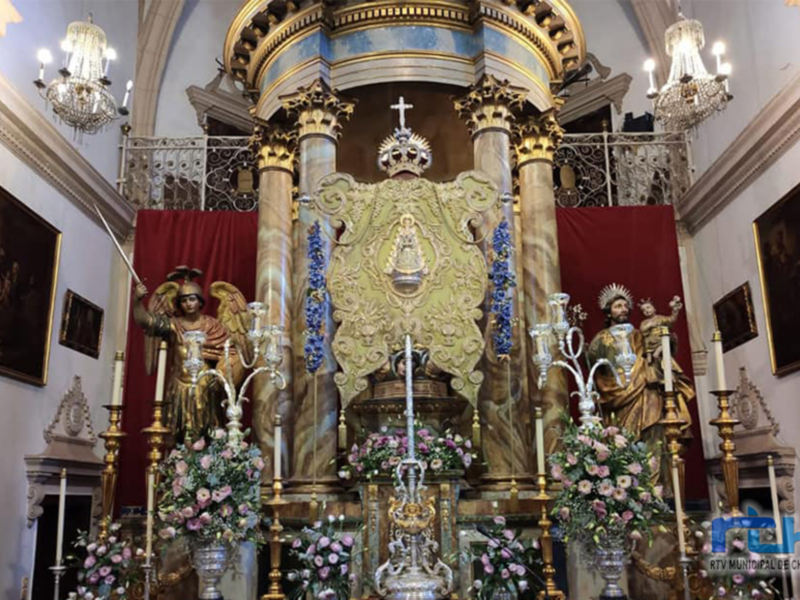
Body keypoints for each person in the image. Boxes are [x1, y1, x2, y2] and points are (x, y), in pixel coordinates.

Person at [133, 267, 245, 442]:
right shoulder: (173, 325)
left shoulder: (212, 326)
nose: (188, 304)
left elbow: (231, 352)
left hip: (205, 386)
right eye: (184, 300)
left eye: (192, 299)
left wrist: (222, 374)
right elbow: (146, 321)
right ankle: (176, 465)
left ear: (200, 301)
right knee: (177, 434)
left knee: (207, 434)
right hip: (179, 387)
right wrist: (137, 301)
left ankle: (207, 464)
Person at [587, 284, 665, 477]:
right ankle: (627, 485)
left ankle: (654, 486)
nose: (623, 309)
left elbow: (657, 350)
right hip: (616, 394)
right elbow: (593, 365)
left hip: (645, 392)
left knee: (652, 434)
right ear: (608, 311)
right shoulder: (602, 338)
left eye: (624, 306)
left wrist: (665, 342)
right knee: (622, 438)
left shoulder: (639, 334)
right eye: (617, 306)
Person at [638, 297, 695, 439]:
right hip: (649, 350)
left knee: (667, 373)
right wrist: (648, 353)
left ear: (654, 308)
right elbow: (643, 337)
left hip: (662, 348)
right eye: (644, 310)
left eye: (648, 308)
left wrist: (675, 310)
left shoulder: (661, 319)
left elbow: (672, 320)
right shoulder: (644, 323)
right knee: (651, 371)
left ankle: (670, 400)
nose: (646, 311)